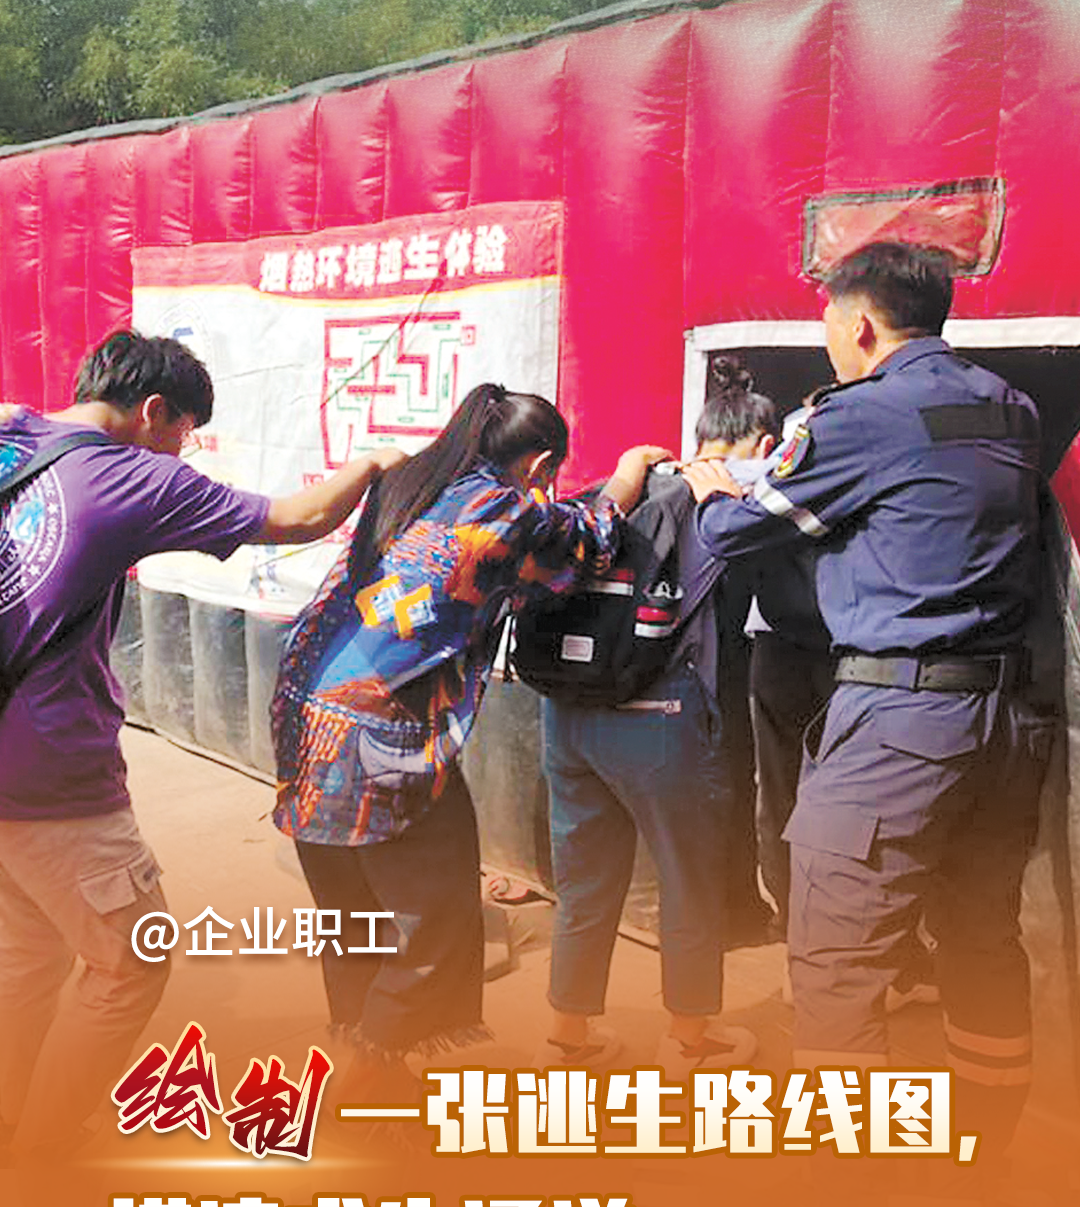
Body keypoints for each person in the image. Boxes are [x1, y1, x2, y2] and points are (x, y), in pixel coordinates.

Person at [684, 242, 1053, 1158]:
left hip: (901, 722)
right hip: (1007, 721)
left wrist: (712, 489)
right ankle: (982, 1161)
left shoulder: (856, 417)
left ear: (858, 325)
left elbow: (741, 531)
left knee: (838, 957)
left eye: (828, 327)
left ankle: (856, 1196)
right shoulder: (1010, 407)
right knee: (981, 938)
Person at [0, 329, 403, 1159]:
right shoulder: (131, 476)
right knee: (129, 963)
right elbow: (300, 517)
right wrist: (371, 463)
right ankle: (41, 1154)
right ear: (153, 411)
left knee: (28, 948)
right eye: (184, 431)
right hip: (50, 770)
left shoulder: (14, 434)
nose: (183, 449)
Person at [271, 381, 669, 1103]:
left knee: (351, 911)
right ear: (539, 465)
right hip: (383, 735)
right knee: (438, 913)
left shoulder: (415, 486)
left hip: (306, 713)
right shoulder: (506, 511)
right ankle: (367, 1078)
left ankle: (362, 1046)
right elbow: (587, 542)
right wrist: (630, 472)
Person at [538, 360, 778, 1078]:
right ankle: (690, 1042)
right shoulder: (733, 501)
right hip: (661, 720)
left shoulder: (615, 491)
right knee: (689, 877)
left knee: (583, 879)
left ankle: (569, 1036)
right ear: (764, 444)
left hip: (567, 714)